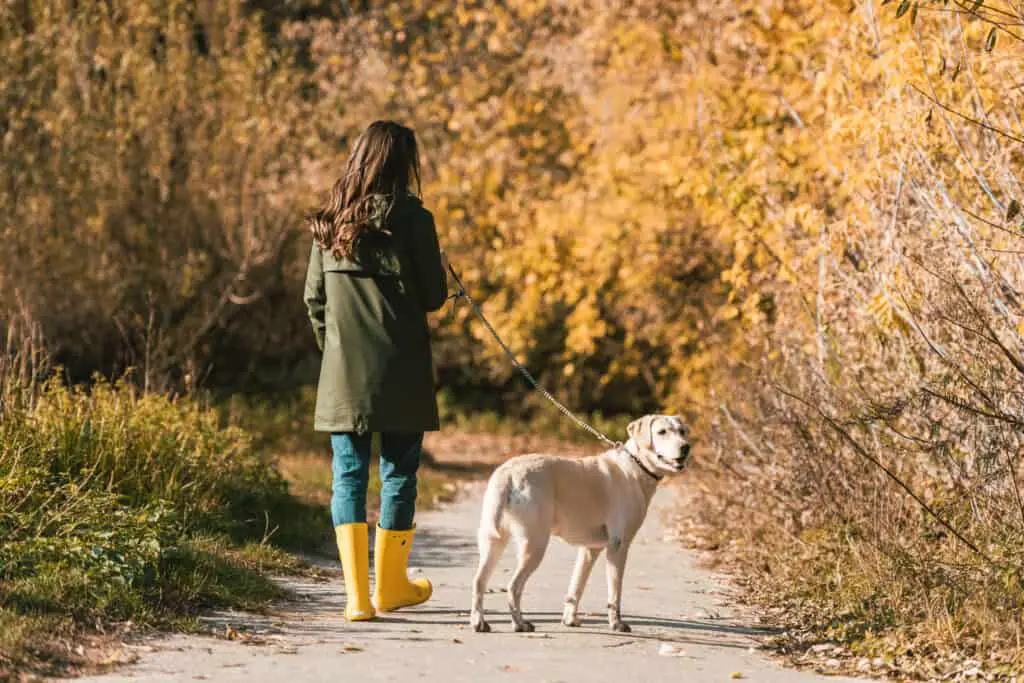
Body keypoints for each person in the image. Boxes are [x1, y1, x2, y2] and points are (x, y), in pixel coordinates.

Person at [303, 120, 448, 621]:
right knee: (399, 474)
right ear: (401, 164)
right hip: (403, 371)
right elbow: (433, 297)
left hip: (343, 374)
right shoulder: (415, 219)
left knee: (347, 476)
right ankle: (390, 587)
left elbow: (313, 300)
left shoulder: (329, 221)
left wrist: (336, 351)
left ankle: (356, 598)